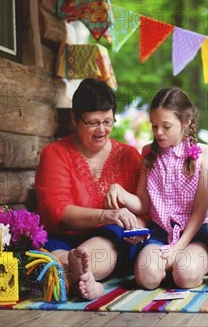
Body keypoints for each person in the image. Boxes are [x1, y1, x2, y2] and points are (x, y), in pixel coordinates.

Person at [35, 78, 145, 300]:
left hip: (111, 239)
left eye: (107, 121)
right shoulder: (54, 154)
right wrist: (106, 214)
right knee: (54, 253)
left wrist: (136, 228)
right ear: (75, 118)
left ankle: (76, 272)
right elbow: (57, 212)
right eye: (93, 123)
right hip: (65, 237)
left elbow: (145, 209)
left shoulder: (129, 155)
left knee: (105, 239)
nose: (102, 130)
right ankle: (80, 277)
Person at [105, 87, 208, 290]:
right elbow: (143, 203)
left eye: (166, 126)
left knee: (186, 275)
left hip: (192, 236)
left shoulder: (206, 156)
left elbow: (200, 212)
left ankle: (188, 265)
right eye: (154, 126)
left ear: (186, 122)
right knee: (147, 278)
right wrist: (120, 191)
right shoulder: (148, 153)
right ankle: (167, 268)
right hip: (159, 234)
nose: (158, 133)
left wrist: (178, 248)